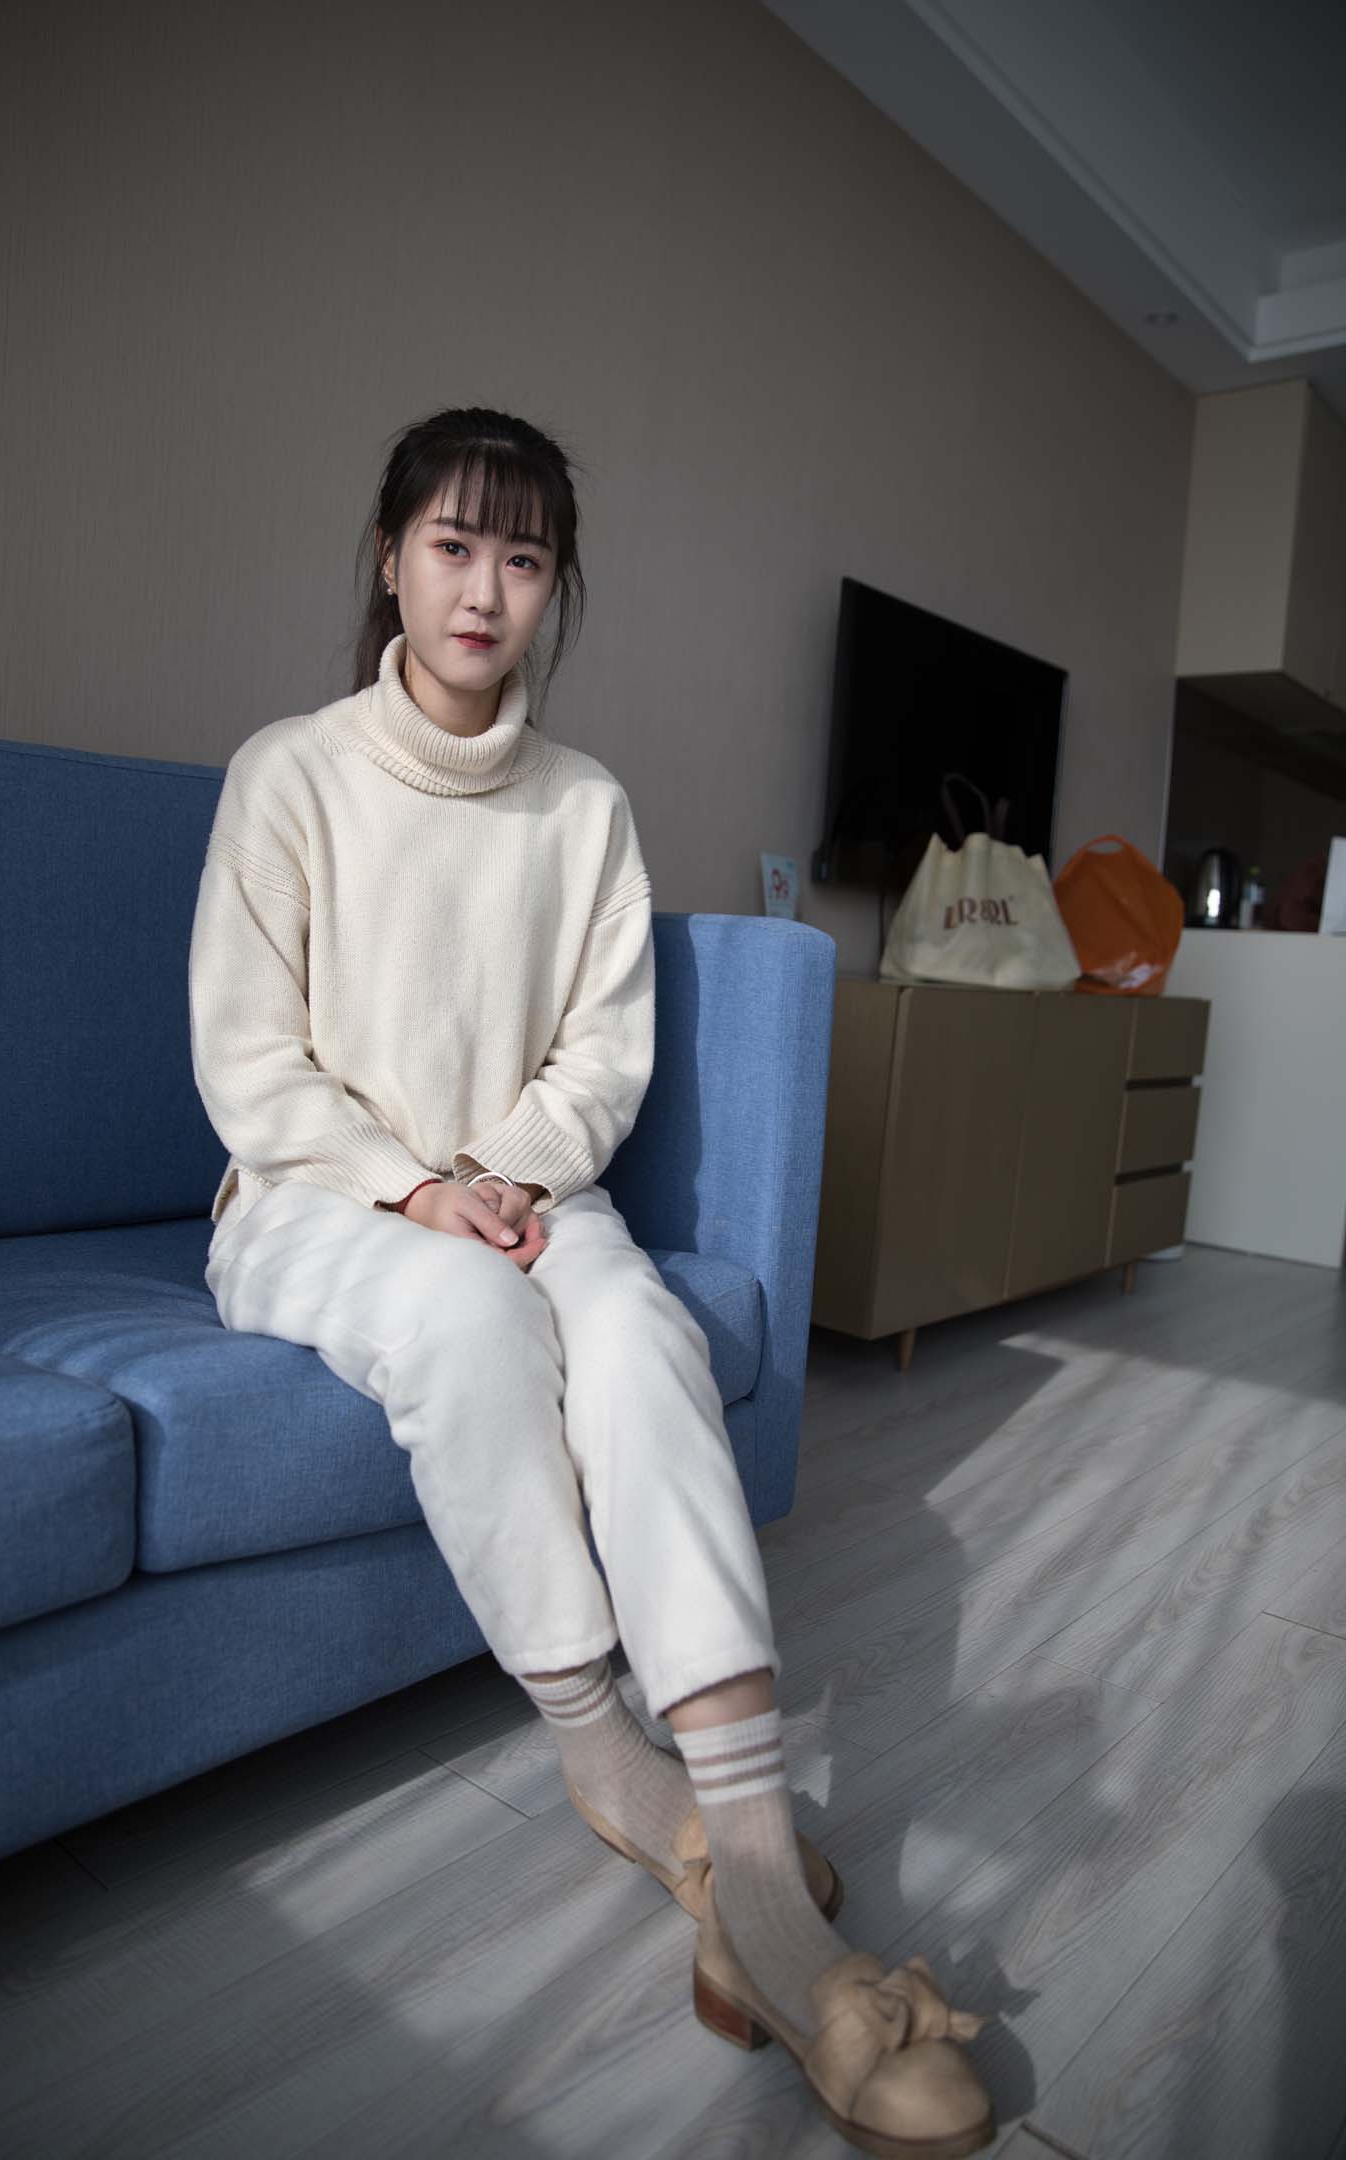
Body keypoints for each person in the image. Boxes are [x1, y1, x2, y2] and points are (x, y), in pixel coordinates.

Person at [189, 405, 993, 2154]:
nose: (485, 591)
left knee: (637, 1329)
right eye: (453, 546)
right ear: (391, 556)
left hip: (528, 1187)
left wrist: (502, 1174)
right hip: (320, 1198)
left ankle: (751, 1865)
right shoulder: (290, 775)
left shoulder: (587, 806)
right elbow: (251, 1064)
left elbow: (602, 1059)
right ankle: (607, 1757)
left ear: (557, 587)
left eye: (525, 556)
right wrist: (418, 1188)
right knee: (469, 1316)